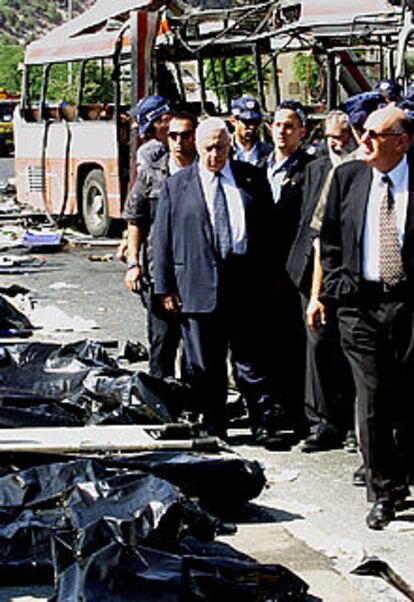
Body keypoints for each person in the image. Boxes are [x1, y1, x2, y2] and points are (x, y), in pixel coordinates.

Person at [320, 105, 414, 529]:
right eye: (364, 133)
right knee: (373, 398)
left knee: (406, 398)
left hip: (408, 304)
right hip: (360, 304)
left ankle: (405, 475)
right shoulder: (349, 177)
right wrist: (338, 290)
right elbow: (332, 237)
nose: (365, 141)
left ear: (403, 140)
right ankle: (383, 491)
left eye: (376, 134)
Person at [153, 117, 275, 441]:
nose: (214, 156)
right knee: (206, 365)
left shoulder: (252, 179)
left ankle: (262, 422)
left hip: (243, 283)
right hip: (196, 285)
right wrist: (164, 287)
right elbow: (161, 240)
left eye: (221, 148)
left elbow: (269, 233)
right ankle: (214, 425)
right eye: (208, 148)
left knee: (250, 361)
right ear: (197, 146)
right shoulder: (176, 186)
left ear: (229, 145)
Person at [287, 110, 356, 452]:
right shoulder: (314, 169)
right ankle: (321, 421)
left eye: (345, 136)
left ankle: (354, 426)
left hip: (349, 270)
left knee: (350, 347)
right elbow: (308, 225)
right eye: (333, 138)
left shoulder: (361, 166)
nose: (339, 143)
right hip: (312, 268)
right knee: (316, 344)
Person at [123, 111, 197, 379]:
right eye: (173, 135)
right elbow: (135, 220)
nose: (178, 141)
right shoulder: (152, 175)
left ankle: (193, 406)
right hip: (160, 272)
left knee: (195, 349)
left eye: (185, 135)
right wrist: (133, 263)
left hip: (197, 276)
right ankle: (161, 405)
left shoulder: (207, 174)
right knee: (162, 344)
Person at [266, 99, 314, 440]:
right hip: (263, 270)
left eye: (289, 126)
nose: (282, 132)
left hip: (296, 270)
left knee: (295, 342)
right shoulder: (256, 167)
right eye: (278, 125)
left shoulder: (310, 170)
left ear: (302, 132)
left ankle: (300, 411)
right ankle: (276, 405)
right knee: (269, 341)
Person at [230, 96, 272, 167]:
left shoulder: (269, 152)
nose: (252, 127)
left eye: (256, 122)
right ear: (233, 121)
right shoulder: (224, 151)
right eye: (247, 122)